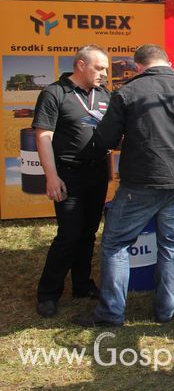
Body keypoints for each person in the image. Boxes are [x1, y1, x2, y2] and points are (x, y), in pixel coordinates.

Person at [74, 44, 174, 327]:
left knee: (116, 244)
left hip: (140, 183)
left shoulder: (127, 92)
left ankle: (111, 313)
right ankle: (166, 311)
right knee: (171, 245)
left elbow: (104, 140)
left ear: (138, 66)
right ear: (168, 62)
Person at [32, 45, 111, 318]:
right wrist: (52, 177)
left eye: (106, 69)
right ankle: (48, 293)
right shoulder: (54, 93)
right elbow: (43, 137)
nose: (104, 73)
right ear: (80, 65)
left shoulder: (104, 94)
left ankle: (82, 285)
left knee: (89, 233)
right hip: (69, 174)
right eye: (99, 68)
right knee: (69, 235)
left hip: (97, 172)